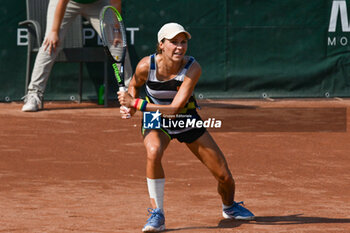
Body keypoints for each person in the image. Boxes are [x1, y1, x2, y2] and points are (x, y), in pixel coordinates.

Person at [118, 22, 255, 232]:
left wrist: (134, 104)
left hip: (185, 117)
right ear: (161, 44)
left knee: (224, 177)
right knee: (153, 151)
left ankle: (229, 207)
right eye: (174, 42)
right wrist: (130, 106)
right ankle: (158, 214)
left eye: (183, 42)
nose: (180, 47)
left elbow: (173, 109)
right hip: (155, 118)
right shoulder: (146, 65)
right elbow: (134, 86)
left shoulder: (193, 67)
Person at [22, 0, 132, 112]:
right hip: (66, 2)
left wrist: (117, 29)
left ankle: (129, 93)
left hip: (99, 4)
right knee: (50, 44)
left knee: (118, 45)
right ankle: (34, 94)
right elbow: (62, 2)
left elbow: (115, 3)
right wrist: (54, 31)